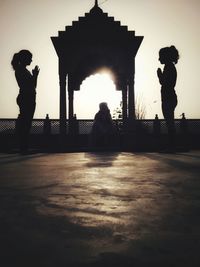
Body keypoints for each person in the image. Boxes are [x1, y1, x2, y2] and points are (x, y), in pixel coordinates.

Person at [11, 50, 40, 153]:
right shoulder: (20, 70)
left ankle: (24, 146)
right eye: (30, 58)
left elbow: (33, 85)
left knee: (27, 122)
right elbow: (29, 85)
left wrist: (35, 75)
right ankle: (23, 146)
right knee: (25, 123)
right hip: (26, 97)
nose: (31, 60)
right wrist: (34, 76)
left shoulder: (24, 70)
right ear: (24, 58)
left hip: (29, 97)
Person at [157, 45, 179, 151]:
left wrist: (159, 75)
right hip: (170, 97)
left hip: (168, 97)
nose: (159, 59)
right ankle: (172, 144)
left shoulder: (169, 67)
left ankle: (172, 145)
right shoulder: (170, 67)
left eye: (160, 56)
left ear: (165, 57)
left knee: (170, 123)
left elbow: (164, 82)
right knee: (170, 122)